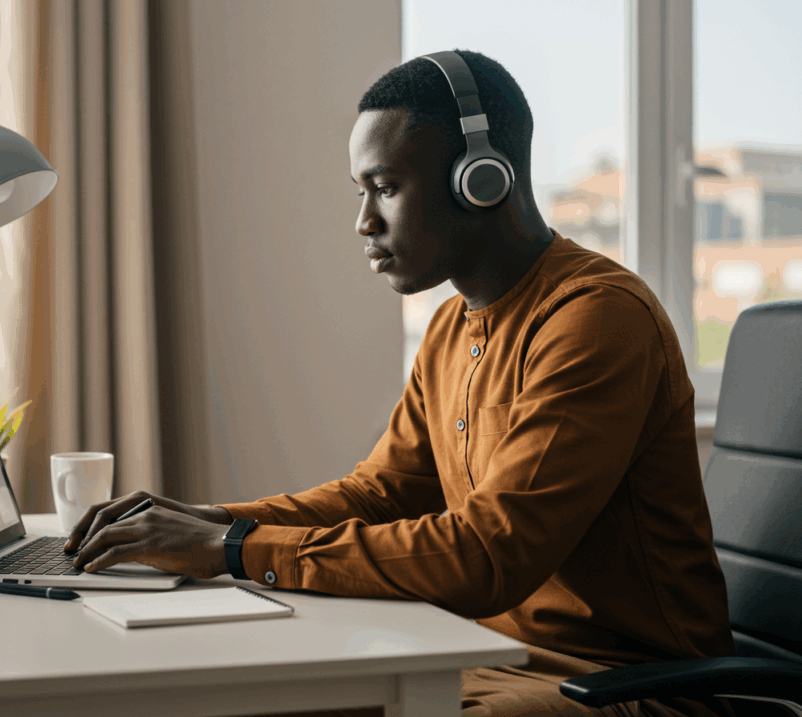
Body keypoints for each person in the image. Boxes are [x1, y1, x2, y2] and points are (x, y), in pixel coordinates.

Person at [64, 50, 738, 717]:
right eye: (361, 192)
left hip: (627, 684)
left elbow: (485, 554)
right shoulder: (451, 327)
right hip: (474, 654)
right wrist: (215, 522)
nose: (364, 221)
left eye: (384, 187)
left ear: (481, 179)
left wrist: (233, 550)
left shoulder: (596, 319)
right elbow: (380, 494)